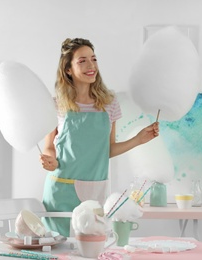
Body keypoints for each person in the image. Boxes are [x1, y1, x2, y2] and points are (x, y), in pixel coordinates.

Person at [39, 38, 159, 237]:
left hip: (96, 189)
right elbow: (49, 146)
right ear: (68, 69)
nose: (91, 65)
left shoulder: (109, 104)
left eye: (93, 59)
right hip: (62, 190)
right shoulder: (57, 104)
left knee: (92, 247)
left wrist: (138, 139)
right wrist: (49, 159)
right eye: (82, 61)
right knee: (59, 248)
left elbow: (107, 149)